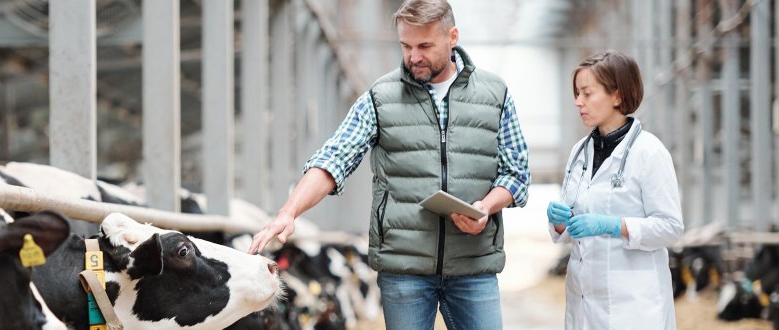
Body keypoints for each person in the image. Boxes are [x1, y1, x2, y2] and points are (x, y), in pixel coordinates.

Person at [246, 0, 530, 328]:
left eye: (425, 45)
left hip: (474, 266)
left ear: (453, 37)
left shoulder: (495, 94)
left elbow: (516, 171)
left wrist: (486, 207)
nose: (414, 56)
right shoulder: (380, 98)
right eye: (406, 45)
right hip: (404, 271)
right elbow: (334, 158)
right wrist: (289, 211)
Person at [546, 50, 683, 329]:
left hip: (633, 308)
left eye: (587, 93)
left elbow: (670, 227)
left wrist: (614, 225)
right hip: (584, 304)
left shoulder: (649, 152)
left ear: (617, 96)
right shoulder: (579, 152)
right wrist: (559, 223)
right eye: (577, 94)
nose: (578, 102)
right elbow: (574, 222)